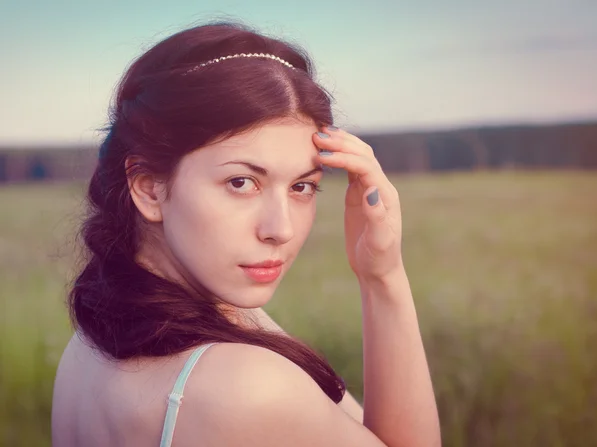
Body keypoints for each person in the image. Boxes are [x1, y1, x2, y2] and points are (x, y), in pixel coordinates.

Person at [51, 21, 441, 447]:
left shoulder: (88, 348)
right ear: (147, 187)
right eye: (241, 182)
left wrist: (377, 269)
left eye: (302, 186)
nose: (281, 230)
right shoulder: (248, 388)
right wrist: (384, 281)